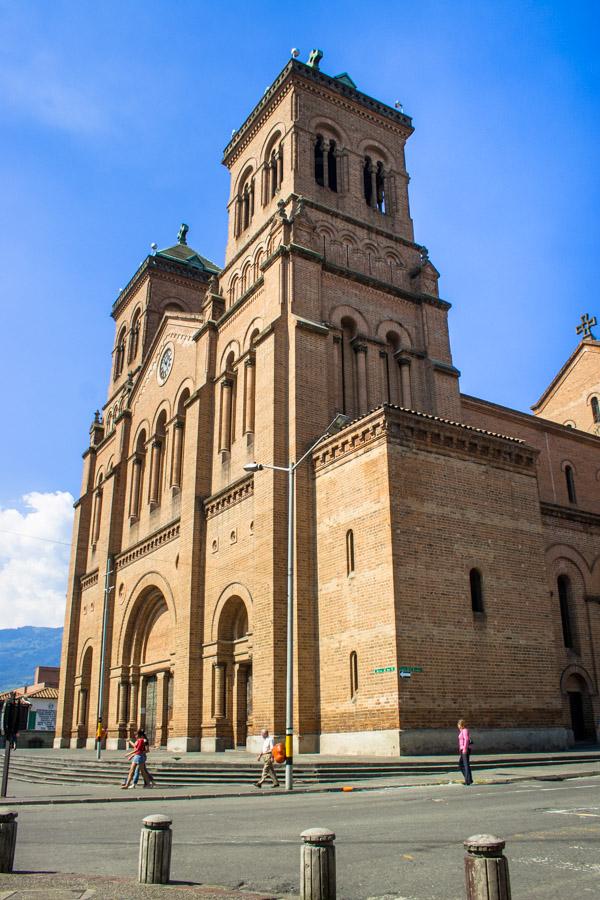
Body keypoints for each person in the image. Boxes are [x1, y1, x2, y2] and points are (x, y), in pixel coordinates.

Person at [457, 718, 473, 786]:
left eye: (459, 724)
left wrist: (464, 749)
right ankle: (469, 779)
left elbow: (466, 739)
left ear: (461, 725)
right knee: (461, 764)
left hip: (465, 749)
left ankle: (468, 780)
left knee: (465, 764)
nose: (458, 726)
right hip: (462, 749)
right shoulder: (462, 731)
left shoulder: (465, 730)